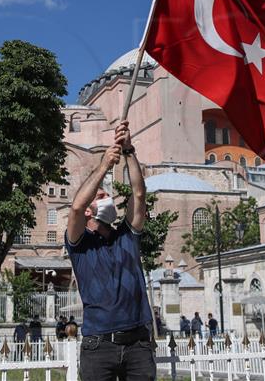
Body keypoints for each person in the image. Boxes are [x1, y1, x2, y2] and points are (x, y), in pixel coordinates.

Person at [66, 121, 155, 381]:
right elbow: (74, 208)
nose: (106, 199)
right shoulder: (80, 245)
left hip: (137, 343)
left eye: (107, 195)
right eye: (100, 196)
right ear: (88, 210)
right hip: (99, 346)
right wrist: (104, 165)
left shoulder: (126, 236)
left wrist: (129, 152)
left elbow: (138, 194)